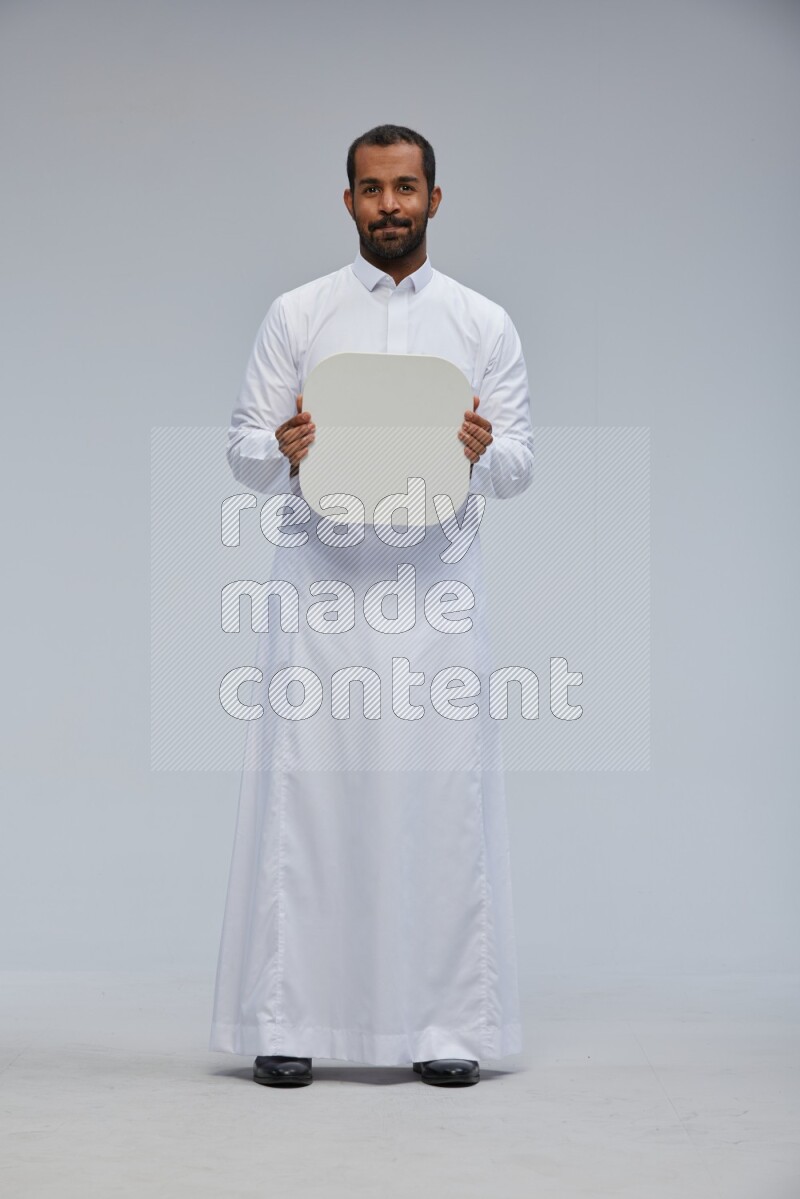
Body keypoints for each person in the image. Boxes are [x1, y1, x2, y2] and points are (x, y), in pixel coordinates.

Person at [209, 124, 534, 1088]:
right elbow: (242, 454)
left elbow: (519, 466)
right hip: (320, 585)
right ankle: (289, 1016)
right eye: (370, 189)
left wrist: (481, 448)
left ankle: (443, 1027)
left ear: (436, 198)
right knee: (309, 792)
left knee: (440, 796)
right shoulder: (298, 314)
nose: (388, 205)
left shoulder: (483, 324)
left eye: (405, 188)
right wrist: (285, 439)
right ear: (346, 200)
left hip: (435, 591)